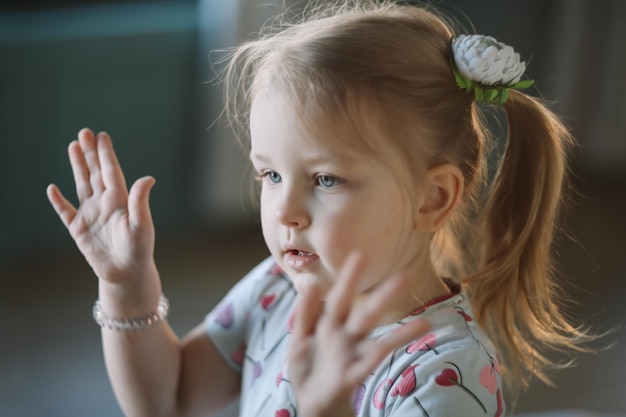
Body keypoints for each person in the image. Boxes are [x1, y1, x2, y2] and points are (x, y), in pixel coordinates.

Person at [46, 1, 592, 416]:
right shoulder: (282, 286)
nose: (285, 209)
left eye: (326, 178)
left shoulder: (446, 374)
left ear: (434, 197)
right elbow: (170, 397)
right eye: (271, 174)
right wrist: (125, 285)